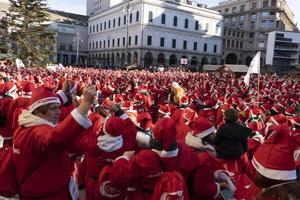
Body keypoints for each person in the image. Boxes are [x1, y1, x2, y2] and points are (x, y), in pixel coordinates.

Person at [13, 83, 96, 200]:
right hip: (45, 195)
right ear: (38, 111)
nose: (59, 112)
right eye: (53, 109)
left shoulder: (28, 124)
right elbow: (54, 138)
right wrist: (85, 105)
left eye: (58, 107)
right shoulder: (36, 132)